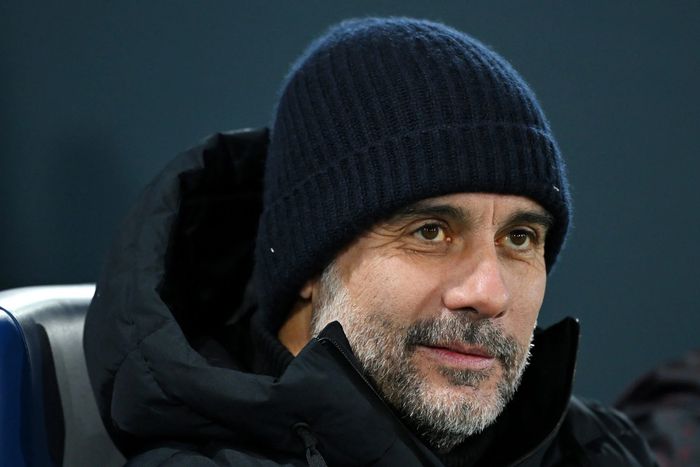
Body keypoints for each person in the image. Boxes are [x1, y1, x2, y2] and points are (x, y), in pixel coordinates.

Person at [84, 17, 657, 466]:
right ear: (310, 264)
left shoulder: (600, 447)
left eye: (520, 238)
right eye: (430, 232)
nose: (490, 294)